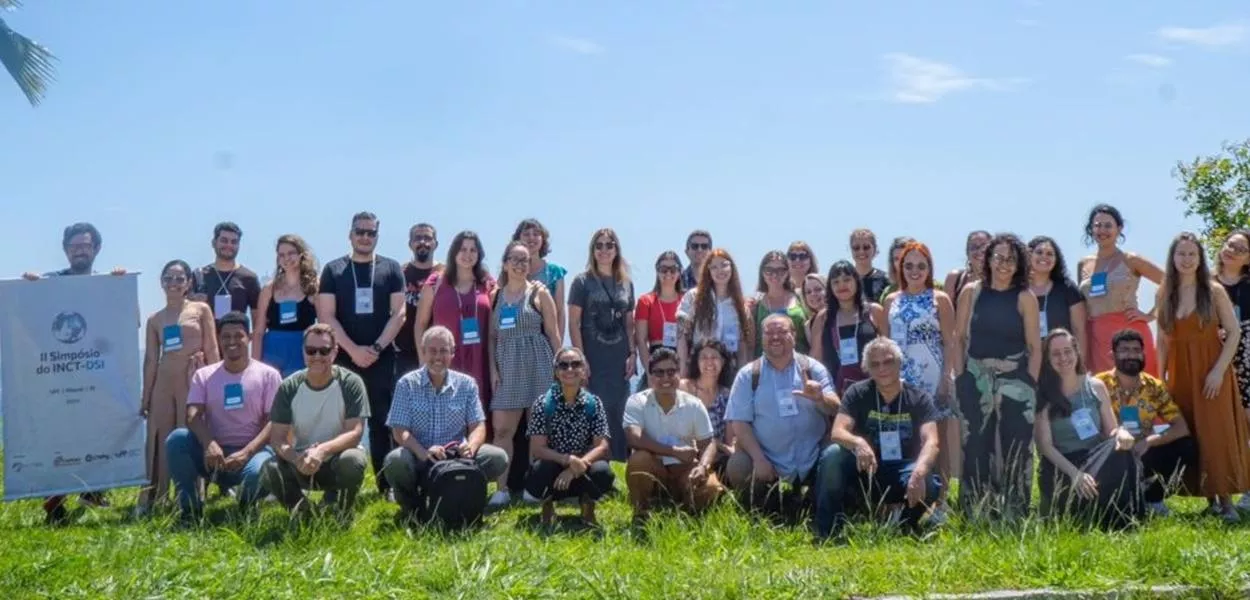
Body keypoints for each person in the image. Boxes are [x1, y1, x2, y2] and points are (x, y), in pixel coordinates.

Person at [21, 222, 126, 524]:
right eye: (74, 246)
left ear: (96, 249)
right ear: (66, 250)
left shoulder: (107, 283)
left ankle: (93, 492)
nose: (80, 250)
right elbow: (28, 314)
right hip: (57, 372)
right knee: (58, 434)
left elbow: (122, 322)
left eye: (86, 245)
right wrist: (28, 287)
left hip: (96, 369)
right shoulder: (49, 283)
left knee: (103, 428)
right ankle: (54, 502)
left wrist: (119, 285)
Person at [1156, 232, 1250, 522]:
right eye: (1181, 254)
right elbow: (1162, 340)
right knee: (1192, 432)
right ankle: (1209, 500)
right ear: (1173, 258)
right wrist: (1161, 379)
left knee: (1215, 432)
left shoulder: (1213, 291)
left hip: (1212, 373)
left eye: (1192, 254)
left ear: (1200, 259)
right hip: (1180, 374)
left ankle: (1227, 503)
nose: (1186, 260)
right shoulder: (1165, 294)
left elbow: (1233, 333)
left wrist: (1219, 371)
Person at [316, 211, 405, 497]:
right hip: (343, 358)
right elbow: (326, 315)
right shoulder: (333, 270)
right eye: (360, 232)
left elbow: (400, 313)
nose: (365, 237)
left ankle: (385, 486)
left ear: (377, 236)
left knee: (382, 422)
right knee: (341, 421)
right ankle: (338, 486)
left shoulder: (391, 269)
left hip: (382, 357)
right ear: (350, 234)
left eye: (371, 233)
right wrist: (354, 351)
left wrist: (376, 348)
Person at [953, 233, 1042, 521]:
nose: (1004, 264)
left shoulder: (1025, 297)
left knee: (1017, 447)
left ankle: (1015, 513)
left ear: (1019, 264)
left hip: (1015, 379)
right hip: (976, 377)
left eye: (1011, 259)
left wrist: (1030, 383)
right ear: (988, 259)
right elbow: (959, 338)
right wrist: (961, 378)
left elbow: (1034, 346)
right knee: (977, 446)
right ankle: (977, 512)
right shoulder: (971, 292)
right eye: (999, 257)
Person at [816, 338, 942, 538]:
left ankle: (904, 526)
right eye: (875, 364)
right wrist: (858, 442)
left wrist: (918, 473)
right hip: (865, 469)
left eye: (888, 361)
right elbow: (838, 432)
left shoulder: (919, 397)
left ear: (900, 363)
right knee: (832, 455)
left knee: (928, 479)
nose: (882, 368)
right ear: (867, 368)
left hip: (903, 469)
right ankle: (826, 531)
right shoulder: (857, 392)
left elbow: (932, 442)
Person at [381, 326, 509, 522]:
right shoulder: (406, 384)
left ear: (452, 353)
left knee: (498, 457)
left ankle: (464, 501)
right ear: (423, 352)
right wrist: (422, 452)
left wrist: (471, 447)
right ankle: (412, 509)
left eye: (443, 351)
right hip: (420, 455)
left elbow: (478, 426)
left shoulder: (467, 384)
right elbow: (399, 431)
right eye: (432, 351)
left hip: (456, 456)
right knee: (395, 461)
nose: (438, 356)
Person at [166, 311, 280, 521]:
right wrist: (209, 443)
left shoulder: (268, 375)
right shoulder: (205, 375)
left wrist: (247, 452)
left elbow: (275, 422)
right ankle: (189, 511)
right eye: (226, 337)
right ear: (219, 339)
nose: (232, 342)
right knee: (177, 440)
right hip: (213, 457)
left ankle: (246, 507)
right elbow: (192, 415)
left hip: (252, 453)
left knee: (259, 472)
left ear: (249, 337)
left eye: (238, 336)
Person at [724, 314, 839, 514]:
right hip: (770, 460)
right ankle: (763, 511)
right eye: (769, 332)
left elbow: (836, 407)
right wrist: (759, 459)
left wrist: (820, 398)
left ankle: (820, 505)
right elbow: (740, 423)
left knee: (836, 454)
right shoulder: (748, 375)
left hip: (812, 455)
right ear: (762, 338)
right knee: (738, 465)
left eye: (782, 332)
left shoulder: (813, 368)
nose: (775, 337)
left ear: (794, 335)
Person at [1033, 329, 1141, 527]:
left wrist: (1122, 432)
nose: (1063, 358)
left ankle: (1125, 520)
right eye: (1055, 354)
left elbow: (1112, 431)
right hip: (1063, 464)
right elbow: (1045, 447)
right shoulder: (1043, 393)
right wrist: (1076, 475)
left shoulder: (1096, 386)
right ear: (1048, 360)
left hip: (1094, 457)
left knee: (1123, 449)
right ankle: (1087, 513)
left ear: (1076, 352)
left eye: (1067, 351)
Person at [260, 324, 370, 517]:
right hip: (302, 461)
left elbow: (355, 433)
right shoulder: (289, 387)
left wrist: (321, 450)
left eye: (324, 350)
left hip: (338, 459)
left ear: (335, 352)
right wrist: (296, 457)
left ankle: (341, 512)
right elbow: (277, 438)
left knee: (353, 460)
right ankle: (304, 513)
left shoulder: (351, 383)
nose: (317, 356)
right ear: (303, 352)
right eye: (311, 350)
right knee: (270, 469)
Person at [139, 259, 220, 517]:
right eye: (168, 278)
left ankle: (191, 494)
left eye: (179, 278)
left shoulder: (201, 309)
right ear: (161, 282)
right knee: (160, 435)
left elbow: (211, 347)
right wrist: (146, 396)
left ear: (188, 283)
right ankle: (154, 496)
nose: (173, 283)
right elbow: (151, 359)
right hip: (164, 378)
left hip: (194, 375)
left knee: (190, 432)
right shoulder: (155, 319)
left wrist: (215, 381)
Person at [486, 241, 561, 507]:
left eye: (525, 260)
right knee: (502, 431)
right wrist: (493, 369)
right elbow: (492, 337)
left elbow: (553, 334)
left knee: (538, 431)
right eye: (515, 260)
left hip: (538, 364)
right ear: (505, 263)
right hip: (507, 367)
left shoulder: (539, 293)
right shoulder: (495, 295)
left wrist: (559, 369)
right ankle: (501, 489)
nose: (520, 265)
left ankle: (535, 486)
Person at [1095, 328, 1198, 516]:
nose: (1131, 355)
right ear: (1113, 355)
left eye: (1136, 350)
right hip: (1110, 451)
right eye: (1125, 350)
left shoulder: (1154, 387)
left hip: (1143, 450)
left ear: (1143, 354)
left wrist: (1149, 441)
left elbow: (1181, 427)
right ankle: (1121, 499)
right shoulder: (1098, 384)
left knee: (1187, 447)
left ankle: (1152, 499)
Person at [624, 348, 724, 524]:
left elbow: (709, 443)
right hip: (654, 466)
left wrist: (702, 466)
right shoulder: (637, 401)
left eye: (671, 372)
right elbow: (634, 438)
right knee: (638, 460)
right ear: (650, 376)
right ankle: (641, 512)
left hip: (684, 468)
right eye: (659, 373)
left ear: (679, 374)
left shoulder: (694, 404)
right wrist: (673, 451)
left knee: (711, 487)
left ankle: (684, 513)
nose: (665, 378)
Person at [524, 347, 616, 527]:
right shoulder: (543, 404)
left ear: (583, 370)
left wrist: (575, 468)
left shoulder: (594, 403)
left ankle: (587, 505)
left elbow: (602, 446)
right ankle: (548, 505)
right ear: (556, 372)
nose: (570, 370)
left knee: (603, 472)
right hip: (553, 467)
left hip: (583, 468)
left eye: (576, 364)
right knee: (540, 470)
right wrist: (567, 460)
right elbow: (537, 449)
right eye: (563, 365)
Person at [568, 228, 637, 461]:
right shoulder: (582, 281)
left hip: (619, 356)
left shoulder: (626, 283)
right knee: (598, 409)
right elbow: (574, 322)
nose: (604, 250)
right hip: (593, 357)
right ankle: (598, 462)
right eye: (599, 245)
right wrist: (580, 358)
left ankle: (620, 461)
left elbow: (630, 323)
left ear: (617, 249)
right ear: (593, 250)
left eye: (610, 245)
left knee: (620, 409)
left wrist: (633, 354)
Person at [1076, 204, 1164, 375]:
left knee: (1140, 392)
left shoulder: (1131, 260)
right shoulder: (1084, 264)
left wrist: (1151, 315)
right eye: (1097, 225)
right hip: (1097, 338)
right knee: (1105, 393)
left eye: (1108, 225)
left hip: (1130, 333)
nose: (1102, 230)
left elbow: (1171, 282)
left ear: (1119, 228)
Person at [810, 261, 885, 394]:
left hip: (873, 388)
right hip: (836, 390)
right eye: (836, 282)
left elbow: (889, 351)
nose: (842, 285)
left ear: (856, 281)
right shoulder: (823, 317)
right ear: (830, 287)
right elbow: (816, 358)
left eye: (846, 279)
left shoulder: (874, 311)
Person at [252, 234, 319, 377]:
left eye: (291, 253)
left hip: (301, 352)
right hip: (272, 353)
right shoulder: (269, 289)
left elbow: (324, 326)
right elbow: (258, 332)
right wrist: (254, 367)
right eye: (281, 255)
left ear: (301, 254)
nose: (286, 258)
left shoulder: (313, 287)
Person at [678, 339, 736, 472]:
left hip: (717, 457)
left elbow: (729, 440)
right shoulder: (684, 388)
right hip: (686, 453)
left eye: (715, 357)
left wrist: (719, 447)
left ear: (723, 361)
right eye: (704, 357)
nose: (709, 362)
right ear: (696, 362)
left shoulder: (728, 395)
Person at [190, 222, 262, 321]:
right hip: (205, 335)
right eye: (224, 241)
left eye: (234, 242)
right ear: (214, 243)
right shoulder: (199, 276)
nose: (229, 245)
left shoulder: (249, 278)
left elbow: (257, 319)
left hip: (236, 335)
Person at [396, 223, 441, 377]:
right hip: (404, 354)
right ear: (410, 244)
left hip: (439, 351)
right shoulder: (399, 274)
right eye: (418, 238)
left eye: (428, 238)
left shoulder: (445, 274)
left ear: (436, 244)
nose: (423, 242)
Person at [513, 218, 568, 340]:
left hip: (546, 341)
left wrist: (558, 347)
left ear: (543, 239)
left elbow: (560, 312)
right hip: (517, 339)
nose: (531, 238)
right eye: (526, 234)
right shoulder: (510, 271)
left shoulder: (555, 272)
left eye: (536, 234)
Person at [748, 250, 809, 355]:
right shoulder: (755, 304)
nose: (775, 275)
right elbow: (750, 344)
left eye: (781, 270)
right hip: (765, 366)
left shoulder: (801, 297)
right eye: (769, 270)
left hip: (799, 364)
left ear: (788, 272)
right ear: (762, 273)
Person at [849, 228, 889, 304]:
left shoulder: (885, 279)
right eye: (856, 248)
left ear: (875, 249)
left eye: (866, 247)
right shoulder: (845, 279)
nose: (861, 251)